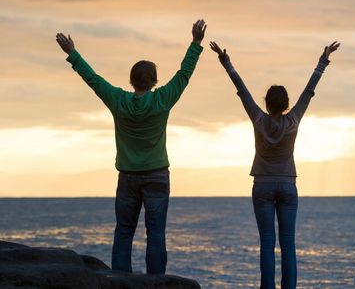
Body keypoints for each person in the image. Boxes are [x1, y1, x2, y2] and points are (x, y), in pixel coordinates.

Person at [55, 19, 207, 274]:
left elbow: (93, 79)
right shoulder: (162, 99)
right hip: (157, 174)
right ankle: (156, 281)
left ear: (132, 80)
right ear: (154, 80)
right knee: (156, 233)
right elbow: (184, 74)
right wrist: (195, 43)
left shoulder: (119, 100)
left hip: (127, 177)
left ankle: (120, 280)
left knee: (124, 232)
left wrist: (72, 53)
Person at [210, 40, 340, 288]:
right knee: (288, 243)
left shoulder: (259, 118)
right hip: (288, 184)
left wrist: (226, 62)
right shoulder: (293, 120)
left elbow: (242, 92)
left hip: (262, 185)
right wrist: (323, 61)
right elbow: (309, 92)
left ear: (267, 103)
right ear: (287, 103)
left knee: (267, 243)